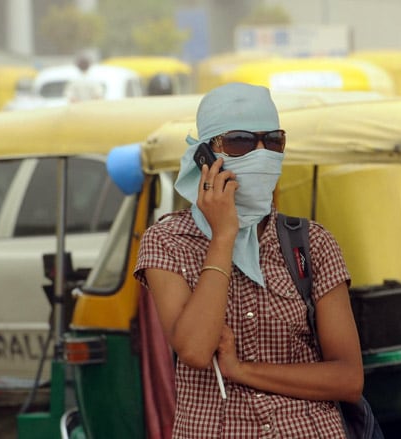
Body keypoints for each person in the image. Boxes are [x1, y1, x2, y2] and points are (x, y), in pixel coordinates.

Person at [134, 82, 364, 438]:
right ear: (205, 155)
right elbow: (195, 349)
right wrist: (224, 236)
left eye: (273, 141)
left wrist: (241, 370)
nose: (261, 152)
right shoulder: (167, 242)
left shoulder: (312, 244)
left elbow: (348, 379)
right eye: (240, 141)